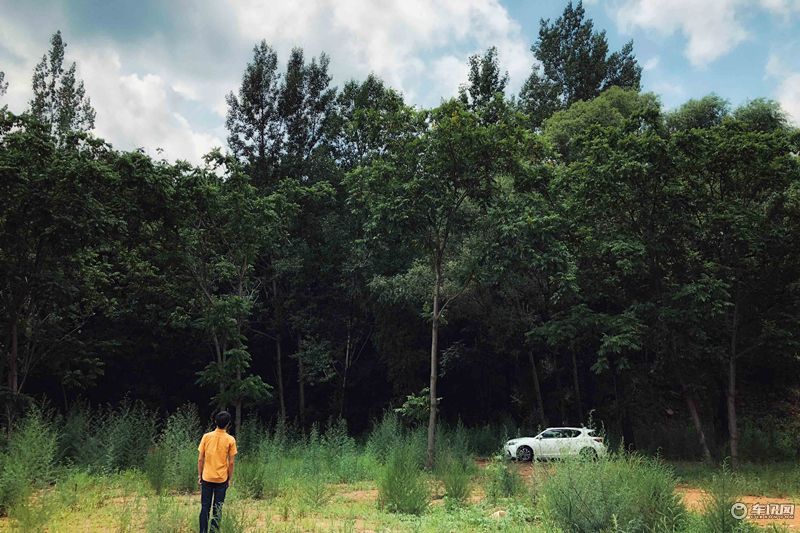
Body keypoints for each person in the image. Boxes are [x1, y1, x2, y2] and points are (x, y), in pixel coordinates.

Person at [198, 410, 237, 533]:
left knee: (205, 507)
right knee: (217, 508)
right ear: (228, 424)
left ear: (215, 421)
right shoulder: (230, 440)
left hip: (207, 477)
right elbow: (231, 462)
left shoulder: (206, 437)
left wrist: (200, 475)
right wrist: (229, 479)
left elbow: (200, 459)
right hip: (221, 478)